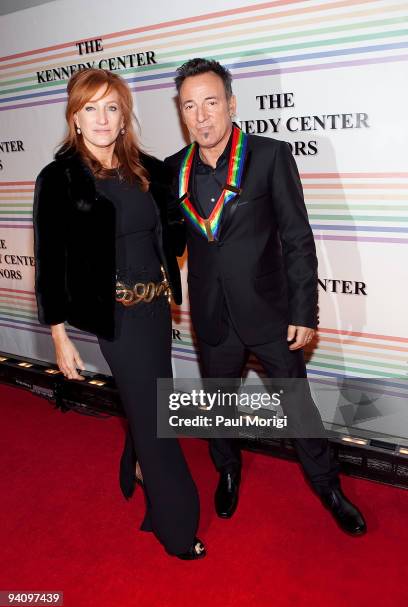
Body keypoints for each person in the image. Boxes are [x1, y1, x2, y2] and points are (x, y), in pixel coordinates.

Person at [165, 58, 366, 536]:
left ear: (231, 104)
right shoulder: (173, 170)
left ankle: (327, 486)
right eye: (190, 106)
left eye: (211, 102)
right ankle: (228, 469)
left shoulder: (272, 156)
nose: (202, 116)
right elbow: (171, 241)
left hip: (272, 312)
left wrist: (304, 310)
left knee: (298, 407)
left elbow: (298, 238)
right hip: (212, 315)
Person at [33, 68, 205, 559]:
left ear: (124, 116)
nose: (103, 118)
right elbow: (50, 261)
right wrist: (59, 336)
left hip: (155, 313)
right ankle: (177, 528)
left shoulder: (149, 170)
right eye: (91, 108)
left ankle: (136, 467)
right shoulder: (60, 177)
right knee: (159, 421)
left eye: (112, 107)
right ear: (75, 118)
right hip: (117, 317)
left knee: (151, 403)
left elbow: (172, 235)